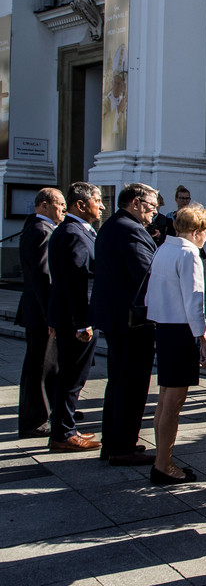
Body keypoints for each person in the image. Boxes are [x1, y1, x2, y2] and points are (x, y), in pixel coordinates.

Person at [145, 204, 206, 485]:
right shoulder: (189, 253)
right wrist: (202, 337)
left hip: (163, 327)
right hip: (180, 330)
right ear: (196, 231)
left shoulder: (164, 248)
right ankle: (163, 464)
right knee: (172, 403)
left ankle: (162, 459)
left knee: (164, 399)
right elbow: (194, 300)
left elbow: (151, 292)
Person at [92, 183, 158, 466]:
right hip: (131, 323)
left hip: (118, 319)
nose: (155, 211)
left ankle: (115, 442)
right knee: (131, 384)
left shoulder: (113, 225)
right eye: (152, 205)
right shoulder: (130, 230)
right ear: (136, 202)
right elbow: (147, 276)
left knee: (119, 382)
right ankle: (121, 447)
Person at [46, 182, 104, 452]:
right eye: (97, 200)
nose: (102, 206)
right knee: (71, 377)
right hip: (75, 320)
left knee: (73, 377)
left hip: (71, 317)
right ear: (80, 204)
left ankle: (66, 427)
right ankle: (63, 434)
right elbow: (78, 282)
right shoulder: (72, 233)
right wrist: (83, 323)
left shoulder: (75, 230)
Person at [16, 188, 66, 439]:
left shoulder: (41, 228)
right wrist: (51, 316)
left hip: (39, 311)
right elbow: (43, 277)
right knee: (40, 367)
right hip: (40, 313)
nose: (63, 210)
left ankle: (45, 413)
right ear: (44, 206)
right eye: (60, 205)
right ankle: (33, 421)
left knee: (47, 366)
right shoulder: (40, 230)